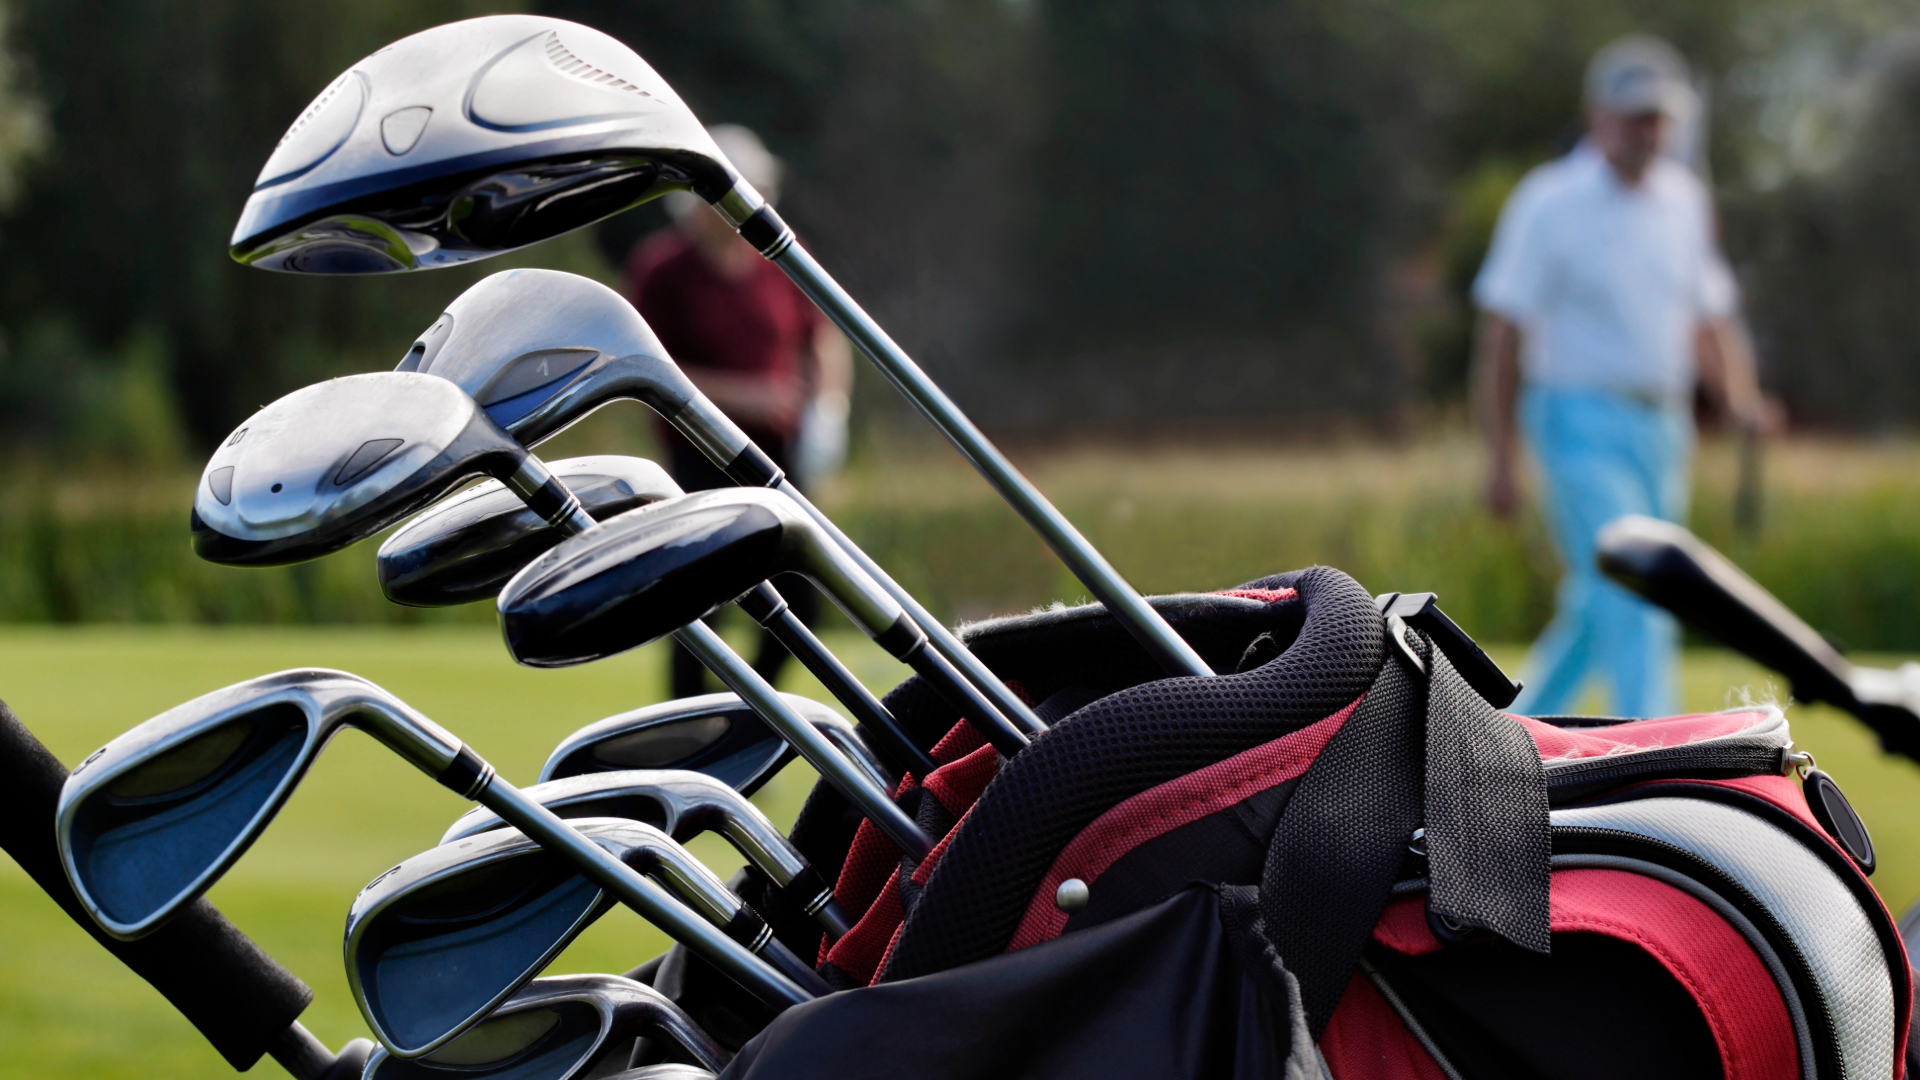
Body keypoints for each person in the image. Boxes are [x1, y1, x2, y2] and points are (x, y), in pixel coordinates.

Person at [1473, 35, 1777, 717]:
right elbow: (1502, 334)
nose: (1649, 132)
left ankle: (1507, 737)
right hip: (1573, 419)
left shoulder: (1683, 202)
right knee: (1645, 589)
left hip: (1663, 427)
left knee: (1598, 603)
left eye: (1659, 117)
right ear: (1598, 116)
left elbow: (1709, 318)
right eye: (1635, 116)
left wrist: (1740, 399)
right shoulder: (1548, 202)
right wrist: (1500, 457)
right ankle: (1662, 757)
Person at [622, 125, 854, 699]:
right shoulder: (661, 270)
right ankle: (689, 736)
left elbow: (821, 338)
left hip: (776, 457)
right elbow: (648, 366)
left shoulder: (777, 256)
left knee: (803, 596)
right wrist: (748, 395)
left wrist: (830, 409)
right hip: (696, 457)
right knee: (697, 606)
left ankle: (752, 713)